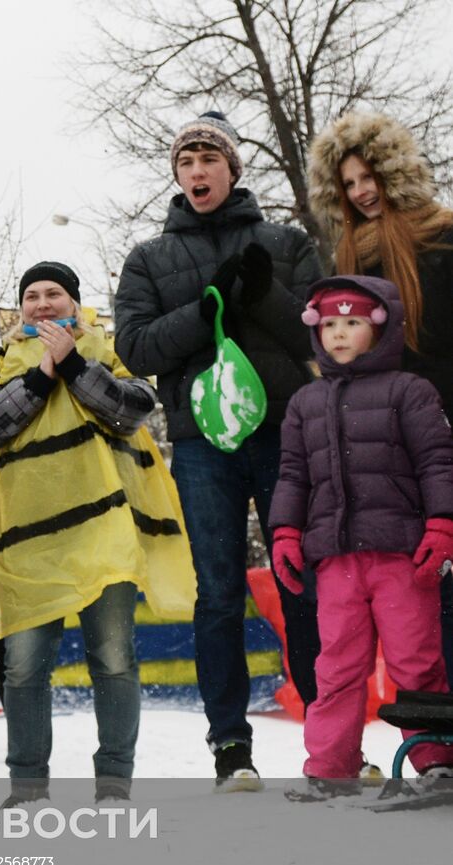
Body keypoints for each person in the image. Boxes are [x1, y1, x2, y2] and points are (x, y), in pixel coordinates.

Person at [114, 110, 323, 791]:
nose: (197, 170)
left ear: (232, 169)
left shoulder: (286, 241)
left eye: (209, 158)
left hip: (286, 432)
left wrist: (264, 293)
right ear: (176, 174)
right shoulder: (149, 259)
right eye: (186, 161)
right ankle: (231, 743)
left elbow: (324, 337)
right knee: (219, 591)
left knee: (303, 581)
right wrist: (205, 311)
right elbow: (137, 348)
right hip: (204, 442)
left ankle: (331, 733)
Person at [0, 262, 194, 805]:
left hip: (102, 532)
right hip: (25, 541)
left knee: (113, 658)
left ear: (74, 302)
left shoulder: (106, 351)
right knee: (21, 669)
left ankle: (114, 781)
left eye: (55, 293)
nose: (42, 304)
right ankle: (28, 787)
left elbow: (132, 408)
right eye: (32, 296)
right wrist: (42, 373)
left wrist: (72, 364)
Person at [269, 276, 453, 799]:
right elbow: (293, 475)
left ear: (380, 327)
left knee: (416, 660)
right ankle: (331, 767)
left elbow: (438, 462)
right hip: (336, 560)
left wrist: (442, 525)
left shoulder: (410, 392)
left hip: (402, 556)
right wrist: (286, 533)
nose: (340, 334)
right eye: (329, 324)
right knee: (336, 665)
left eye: (352, 323)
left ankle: (438, 762)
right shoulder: (306, 402)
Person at [306, 111, 453, 687]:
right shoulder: (350, 257)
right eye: (349, 183)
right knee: (421, 583)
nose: (362, 191)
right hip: (393, 440)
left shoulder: (441, 234)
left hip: (444, 415)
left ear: (394, 174)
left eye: (370, 177)